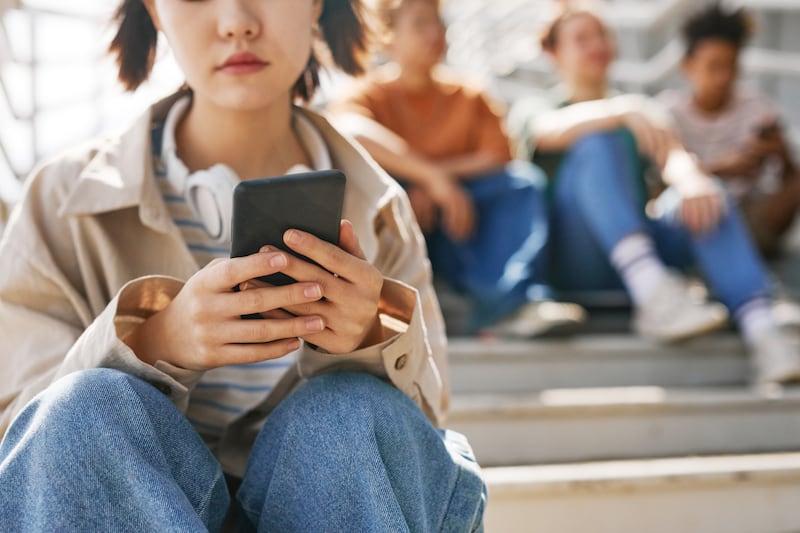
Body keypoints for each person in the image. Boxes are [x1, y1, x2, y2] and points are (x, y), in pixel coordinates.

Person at [0, 0, 486, 530]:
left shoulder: (380, 209)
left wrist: (371, 336)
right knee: (84, 407)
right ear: (155, 12)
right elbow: (26, 441)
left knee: (354, 412)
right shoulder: (60, 201)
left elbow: (420, 438)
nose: (237, 20)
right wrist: (155, 342)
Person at [508, 6, 800, 384]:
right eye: (582, 38)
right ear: (553, 54)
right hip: (577, 258)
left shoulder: (641, 111)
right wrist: (622, 110)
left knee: (707, 194)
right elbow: (548, 130)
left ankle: (764, 333)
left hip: (643, 253)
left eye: (602, 35)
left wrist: (692, 180)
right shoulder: (539, 107)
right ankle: (654, 291)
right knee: (597, 143)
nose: (597, 45)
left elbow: (674, 157)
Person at [330, 0, 585, 337]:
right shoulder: (368, 93)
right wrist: (429, 178)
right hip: (402, 226)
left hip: (464, 227)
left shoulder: (469, 94)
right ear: (388, 39)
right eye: (420, 25)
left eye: (439, 23)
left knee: (521, 184)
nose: (435, 33)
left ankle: (513, 303)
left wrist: (440, 183)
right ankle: (386, 309)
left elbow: (498, 156)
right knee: (368, 191)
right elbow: (349, 130)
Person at [660, 3, 800, 258]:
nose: (723, 77)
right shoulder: (667, 113)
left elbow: (789, 179)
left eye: (731, 66)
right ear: (687, 65)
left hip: (750, 217)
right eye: (713, 67)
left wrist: (781, 154)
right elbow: (658, 188)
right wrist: (722, 168)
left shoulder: (758, 108)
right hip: (693, 217)